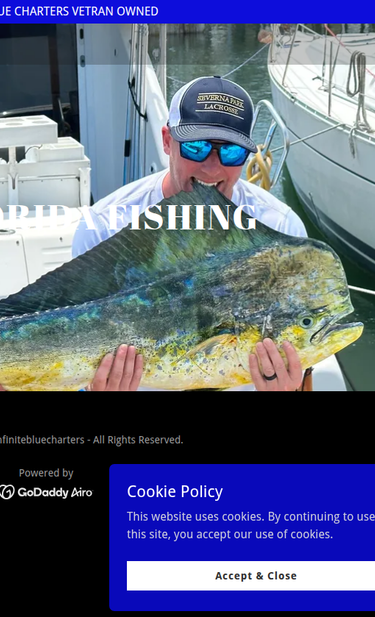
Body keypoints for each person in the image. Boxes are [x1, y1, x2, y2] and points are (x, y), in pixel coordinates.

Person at [72, 76, 310, 392]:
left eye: (231, 153)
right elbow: (75, 350)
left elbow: (301, 358)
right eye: (196, 148)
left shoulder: (281, 228)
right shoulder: (104, 227)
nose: (211, 168)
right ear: (167, 141)